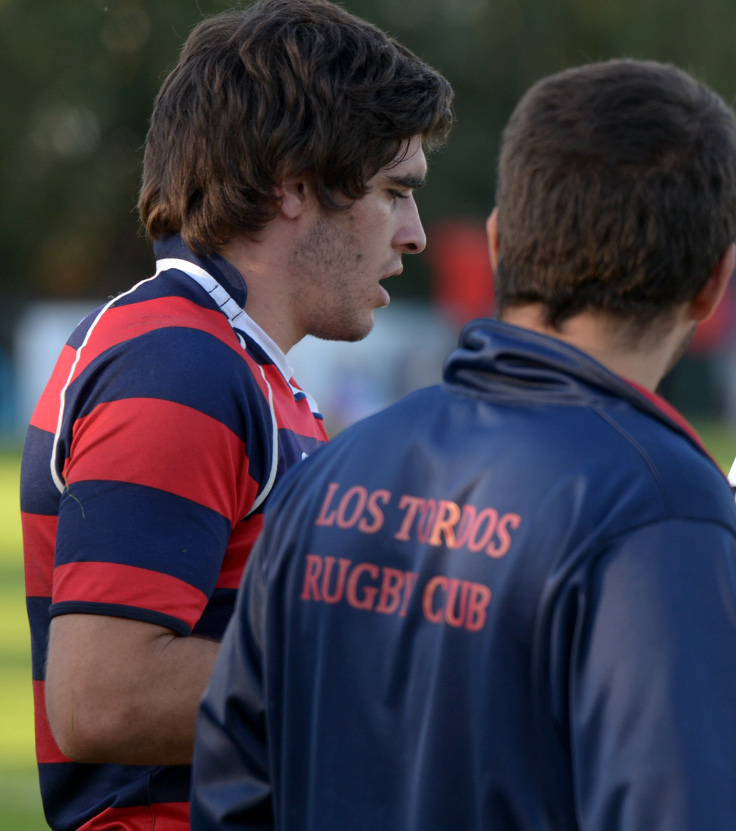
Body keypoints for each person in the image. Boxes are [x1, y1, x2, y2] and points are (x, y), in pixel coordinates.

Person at [191, 59, 736, 831]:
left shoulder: (331, 473)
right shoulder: (662, 506)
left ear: (498, 245)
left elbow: (232, 790)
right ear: (714, 281)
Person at [17, 2, 452, 828]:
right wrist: (406, 670)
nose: (415, 234)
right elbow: (103, 697)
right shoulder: (180, 364)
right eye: (395, 191)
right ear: (293, 183)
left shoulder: (230, 360)